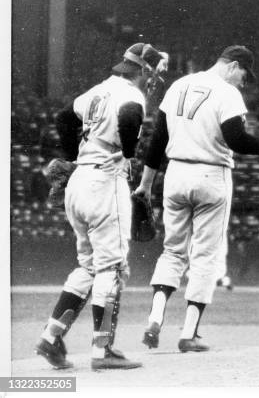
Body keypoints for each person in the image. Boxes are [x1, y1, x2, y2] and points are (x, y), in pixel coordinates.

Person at [136, 45, 259, 352]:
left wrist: (145, 185)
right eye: (244, 75)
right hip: (211, 174)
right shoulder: (227, 92)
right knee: (205, 256)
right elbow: (237, 140)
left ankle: (155, 317)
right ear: (233, 65)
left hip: (176, 175)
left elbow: (157, 140)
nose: (243, 82)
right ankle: (189, 332)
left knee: (172, 252)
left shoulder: (179, 85)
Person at [35, 42, 168, 370]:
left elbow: (64, 117)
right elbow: (129, 114)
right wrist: (125, 152)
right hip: (106, 183)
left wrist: (71, 159)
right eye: (154, 72)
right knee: (112, 268)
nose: (155, 79)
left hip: (79, 181)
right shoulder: (132, 95)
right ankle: (102, 350)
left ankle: (50, 338)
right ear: (144, 70)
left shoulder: (101, 88)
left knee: (89, 266)